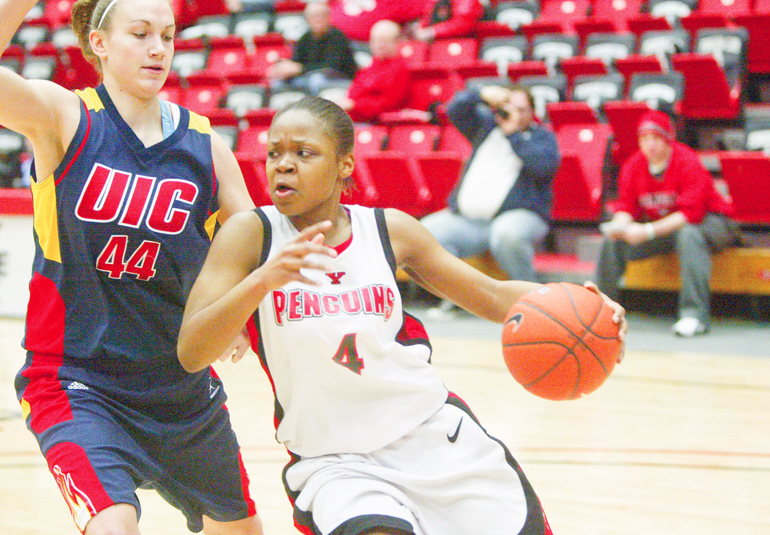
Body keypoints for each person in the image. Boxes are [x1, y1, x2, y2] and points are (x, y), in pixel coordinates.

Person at [177, 95, 628, 535]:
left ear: (345, 165)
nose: (283, 164)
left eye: (304, 152)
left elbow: (492, 295)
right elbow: (192, 352)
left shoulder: (387, 229)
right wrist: (261, 282)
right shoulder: (250, 235)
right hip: (336, 461)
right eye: (274, 152)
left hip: (432, 436)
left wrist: (583, 301)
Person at [0, 1, 264, 534]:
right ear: (99, 44)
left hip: (180, 389)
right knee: (113, 525)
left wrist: (238, 304)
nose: (158, 48)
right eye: (141, 34)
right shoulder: (64, 116)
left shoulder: (204, 143)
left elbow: (249, 236)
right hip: (78, 381)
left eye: (168, 36)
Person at [595, 109, 743, 337]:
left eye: (656, 138)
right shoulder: (633, 166)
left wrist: (647, 230)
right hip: (669, 226)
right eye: (644, 139)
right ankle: (602, 310)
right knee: (612, 242)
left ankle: (694, 315)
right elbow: (626, 207)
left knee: (689, 235)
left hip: (714, 222)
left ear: (668, 138)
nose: (650, 145)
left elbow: (690, 214)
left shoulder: (687, 160)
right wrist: (619, 227)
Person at [420, 84, 560, 317]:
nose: (513, 113)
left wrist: (514, 134)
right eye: (508, 107)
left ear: (531, 112)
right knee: (424, 233)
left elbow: (543, 167)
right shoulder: (485, 128)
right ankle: (457, 298)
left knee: (507, 234)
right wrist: (483, 94)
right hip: (469, 221)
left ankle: (534, 300)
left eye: (520, 109)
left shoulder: (542, 137)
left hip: (520, 216)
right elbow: (455, 109)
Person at [267, 1, 357, 97]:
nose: (318, 19)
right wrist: (283, 68)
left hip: (339, 79)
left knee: (316, 80)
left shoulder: (338, 36)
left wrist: (300, 69)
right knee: (278, 82)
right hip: (308, 77)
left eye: (321, 15)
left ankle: (316, 110)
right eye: (313, 16)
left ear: (329, 17)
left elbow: (332, 66)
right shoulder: (305, 38)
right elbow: (296, 62)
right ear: (307, 19)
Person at [337, 19, 411, 123]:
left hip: (376, 123)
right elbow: (353, 93)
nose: (379, 45)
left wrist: (355, 105)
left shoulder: (399, 69)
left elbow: (390, 104)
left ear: (396, 42)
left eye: (384, 40)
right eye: (375, 40)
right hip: (355, 119)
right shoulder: (370, 67)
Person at [409, 0, 484, 42]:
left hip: (463, 42)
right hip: (434, 45)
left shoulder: (467, 2)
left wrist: (433, 31)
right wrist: (420, 27)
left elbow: (462, 24)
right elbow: (426, 17)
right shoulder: (433, 2)